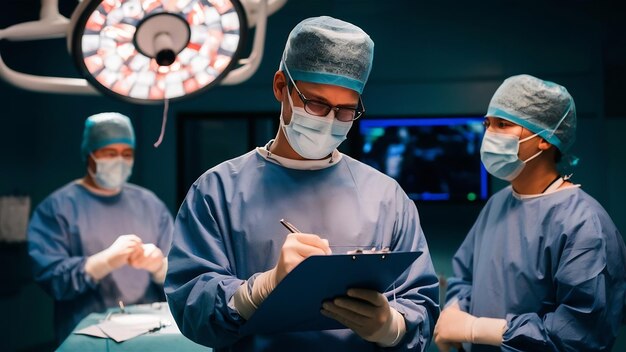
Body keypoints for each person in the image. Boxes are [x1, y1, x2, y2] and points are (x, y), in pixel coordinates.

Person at [165, 16, 440, 351]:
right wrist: (261, 289)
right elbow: (191, 305)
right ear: (281, 86)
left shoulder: (386, 198)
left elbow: (422, 304)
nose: (329, 120)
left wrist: (392, 326)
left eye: (345, 111)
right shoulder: (217, 192)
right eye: (316, 103)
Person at [434, 74, 626, 351]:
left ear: (545, 139)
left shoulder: (584, 224)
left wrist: (479, 329)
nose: (489, 134)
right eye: (488, 124)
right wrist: (455, 311)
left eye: (503, 124)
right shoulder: (497, 204)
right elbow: (465, 275)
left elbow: (582, 333)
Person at [27, 112, 174, 343]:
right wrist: (103, 262)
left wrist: (159, 267)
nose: (120, 160)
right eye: (110, 153)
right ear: (90, 155)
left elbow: (182, 273)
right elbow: (51, 279)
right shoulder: (58, 208)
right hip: (86, 336)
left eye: (127, 154)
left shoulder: (150, 205)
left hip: (150, 334)